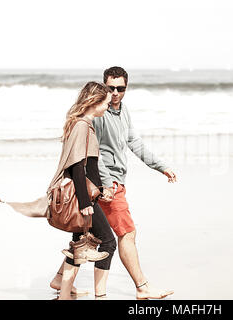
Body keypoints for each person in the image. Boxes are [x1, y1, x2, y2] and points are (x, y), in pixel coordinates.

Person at [51, 66, 177, 299]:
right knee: (124, 234)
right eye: (111, 89)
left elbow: (133, 141)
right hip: (107, 185)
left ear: (126, 88)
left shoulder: (122, 110)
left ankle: (62, 281)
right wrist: (106, 185)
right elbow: (90, 157)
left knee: (86, 236)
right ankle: (141, 287)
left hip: (113, 182)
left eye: (121, 88)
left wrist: (160, 166)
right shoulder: (98, 114)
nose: (116, 93)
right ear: (103, 89)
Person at [53, 81, 117, 300]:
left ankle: (63, 294)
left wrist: (100, 190)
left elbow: (88, 167)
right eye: (106, 102)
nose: (109, 106)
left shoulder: (84, 124)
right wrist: (85, 203)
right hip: (84, 198)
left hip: (89, 195)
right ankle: (101, 295)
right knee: (108, 241)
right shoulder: (82, 125)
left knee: (79, 245)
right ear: (95, 102)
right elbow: (77, 168)